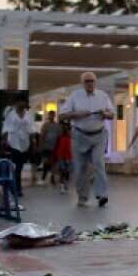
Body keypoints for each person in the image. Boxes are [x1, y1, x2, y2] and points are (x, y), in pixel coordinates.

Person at [58, 72, 114, 207]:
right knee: (80, 168)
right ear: (82, 83)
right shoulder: (74, 96)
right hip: (79, 136)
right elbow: (62, 116)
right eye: (87, 81)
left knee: (98, 163)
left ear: (96, 82)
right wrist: (76, 114)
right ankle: (82, 197)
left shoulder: (103, 96)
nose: (90, 84)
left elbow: (111, 114)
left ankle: (102, 194)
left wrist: (105, 114)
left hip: (98, 135)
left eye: (92, 81)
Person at [1, 99, 35, 207]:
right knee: (13, 166)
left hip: (24, 143)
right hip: (13, 142)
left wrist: (34, 141)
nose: (23, 105)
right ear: (17, 103)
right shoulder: (11, 114)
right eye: (21, 103)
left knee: (19, 167)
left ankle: (16, 188)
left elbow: (31, 129)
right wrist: (5, 140)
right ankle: (15, 188)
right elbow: (6, 128)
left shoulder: (28, 115)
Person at [38, 110, 62, 185]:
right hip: (46, 146)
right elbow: (42, 136)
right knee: (46, 162)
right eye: (50, 115)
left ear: (54, 116)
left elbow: (60, 136)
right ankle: (43, 178)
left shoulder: (57, 126)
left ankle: (52, 177)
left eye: (52, 115)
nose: (51, 117)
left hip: (55, 147)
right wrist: (40, 145)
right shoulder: (45, 125)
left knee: (53, 163)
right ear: (48, 116)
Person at [53, 122, 72, 193]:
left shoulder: (71, 138)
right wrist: (55, 156)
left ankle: (65, 183)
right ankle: (62, 186)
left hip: (68, 157)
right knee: (62, 171)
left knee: (67, 171)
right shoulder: (60, 138)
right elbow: (56, 147)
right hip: (61, 156)